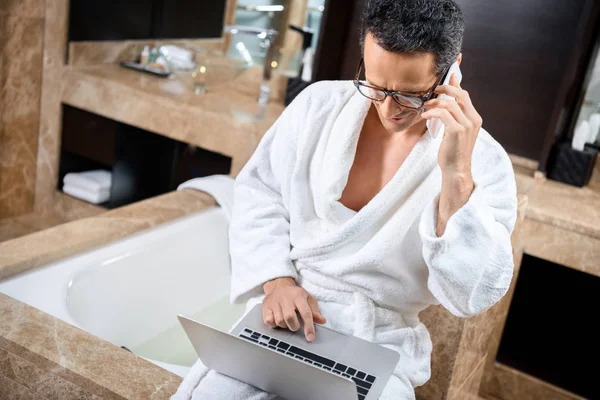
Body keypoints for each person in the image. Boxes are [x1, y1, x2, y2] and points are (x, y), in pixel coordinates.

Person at [173, 0, 517, 398]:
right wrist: (277, 281)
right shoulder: (319, 106)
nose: (388, 109)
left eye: (410, 95)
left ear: (451, 69)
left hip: (380, 340)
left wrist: (456, 175)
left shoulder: (484, 162)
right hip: (287, 313)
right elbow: (260, 192)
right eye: (375, 84)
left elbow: (469, 296)